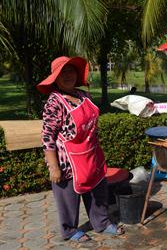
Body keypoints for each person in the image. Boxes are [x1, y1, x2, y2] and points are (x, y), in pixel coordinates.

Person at [37, 56, 124, 242]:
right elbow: (47, 137)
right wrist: (53, 167)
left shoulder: (84, 95)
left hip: (91, 154)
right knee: (68, 198)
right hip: (67, 161)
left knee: (97, 191)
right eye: (63, 72)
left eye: (71, 70)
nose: (68, 75)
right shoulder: (55, 102)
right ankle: (69, 230)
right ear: (56, 78)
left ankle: (101, 223)